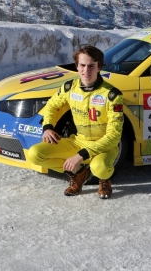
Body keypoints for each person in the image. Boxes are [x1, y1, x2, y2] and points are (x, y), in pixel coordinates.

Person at [27, 45, 124, 199]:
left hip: (105, 147)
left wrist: (81, 155)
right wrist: (47, 127)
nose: (86, 71)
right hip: (79, 141)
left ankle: (104, 179)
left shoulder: (112, 95)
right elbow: (51, 106)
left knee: (99, 167)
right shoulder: (69, 88)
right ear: (77, 66)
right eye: (83, 65)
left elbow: (114, 136)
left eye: (91, 66)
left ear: (99, 67)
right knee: (35, 154)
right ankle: (79, 173)